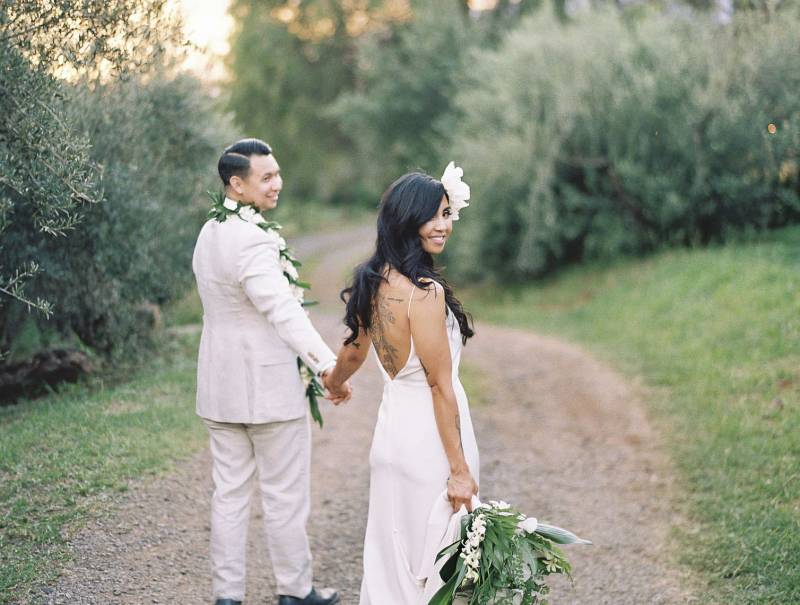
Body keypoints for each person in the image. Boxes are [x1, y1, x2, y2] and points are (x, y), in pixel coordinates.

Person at [192, 138, 350, 605]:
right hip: (267, 391)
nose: (276, 182)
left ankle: (227, 597)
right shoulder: (255, 240)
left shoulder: (208, 233)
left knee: (229, 495)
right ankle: (295, 592)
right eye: (266, 177)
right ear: (236, 184)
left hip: (219, 386)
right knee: (284, 497)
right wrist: (327, 365)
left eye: (277, 173)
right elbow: (281, 309)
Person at [325, 167, 480, 604]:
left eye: (448, 213)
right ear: (406, 219)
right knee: (438, 565)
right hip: (432, 442)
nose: (443, 225)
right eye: (432, 216)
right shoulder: (423, 293)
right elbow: (439, 386)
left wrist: (334, 383)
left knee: (391, 562)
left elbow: (353, 352)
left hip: (391, 439)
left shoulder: (372, 280)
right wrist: (460, 469)